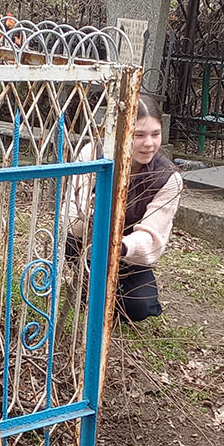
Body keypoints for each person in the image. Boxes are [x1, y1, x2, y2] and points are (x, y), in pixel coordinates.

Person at [67, 96, 183, 322]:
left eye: (155, 134)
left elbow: (152, 238)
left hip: (128, 254)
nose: (149, 143)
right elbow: (72, 213)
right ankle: (83, 278)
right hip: (84, 241)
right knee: (87, 285)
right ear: (121, 131)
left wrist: (119, 246)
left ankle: (105, 293)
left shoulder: (168, 178)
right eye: (139, 135)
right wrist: (92, 224)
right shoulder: (93, 154)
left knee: (141, 306)